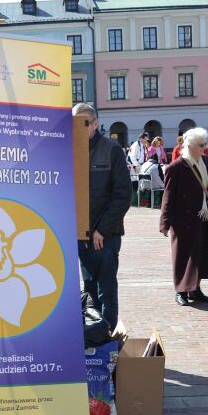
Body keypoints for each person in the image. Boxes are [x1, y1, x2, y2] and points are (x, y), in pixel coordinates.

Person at [72, 103, 130, 331]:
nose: (77, 128)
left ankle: (106, 337)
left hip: (105, 237)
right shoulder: (70, 151)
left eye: (83, 123)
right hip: (81, 236)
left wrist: (102, 230)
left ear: (95, 124)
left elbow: (122, 196)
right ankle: (93, 338)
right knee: (89, 292)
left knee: (106, 292)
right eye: (73, 123)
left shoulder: (111, 149)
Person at [160, 127, 208, 306]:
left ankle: (195, 289)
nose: (204, 148)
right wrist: (165, 223)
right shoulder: (176, 167)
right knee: (182, 255)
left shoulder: (206, 162)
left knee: (200, 253)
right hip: (182, 219)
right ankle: (181, 291)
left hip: (202, 216)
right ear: (190, 146)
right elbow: (168, 196)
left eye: (205, 144)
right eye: (201, 145)